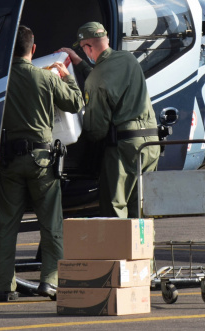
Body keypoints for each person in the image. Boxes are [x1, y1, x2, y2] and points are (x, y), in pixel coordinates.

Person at [0, 25, 84, 302]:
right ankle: (50, 281)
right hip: (42, 160)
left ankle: (3, 287)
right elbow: (75, 103)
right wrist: (67, 79)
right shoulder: (46, 79)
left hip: (9, 160)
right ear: (33, 49)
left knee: (7, 224)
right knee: (51, 223)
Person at [59, 22, 159, 219]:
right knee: (141, 208)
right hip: (151, 144)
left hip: (125, 148)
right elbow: (106, 78)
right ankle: (142, 249)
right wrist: (79, 62)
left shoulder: (96, 79)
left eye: (82, 48)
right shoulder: (128, 59)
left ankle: (117, 251)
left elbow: (97, 129)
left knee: (115, 209)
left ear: (88, 47)